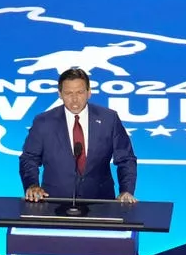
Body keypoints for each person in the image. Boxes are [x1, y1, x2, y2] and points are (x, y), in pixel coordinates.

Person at [19, 68, 138, 203]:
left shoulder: (109, 119)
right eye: (68, 93)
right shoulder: (44, 122)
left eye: (80, 92)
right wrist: (32, 185)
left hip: (100, 203)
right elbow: (29, 158)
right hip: (54, 202)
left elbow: (126, 159)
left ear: (89, 92)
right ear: (60, 94)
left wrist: (126, 190)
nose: (74, 99)